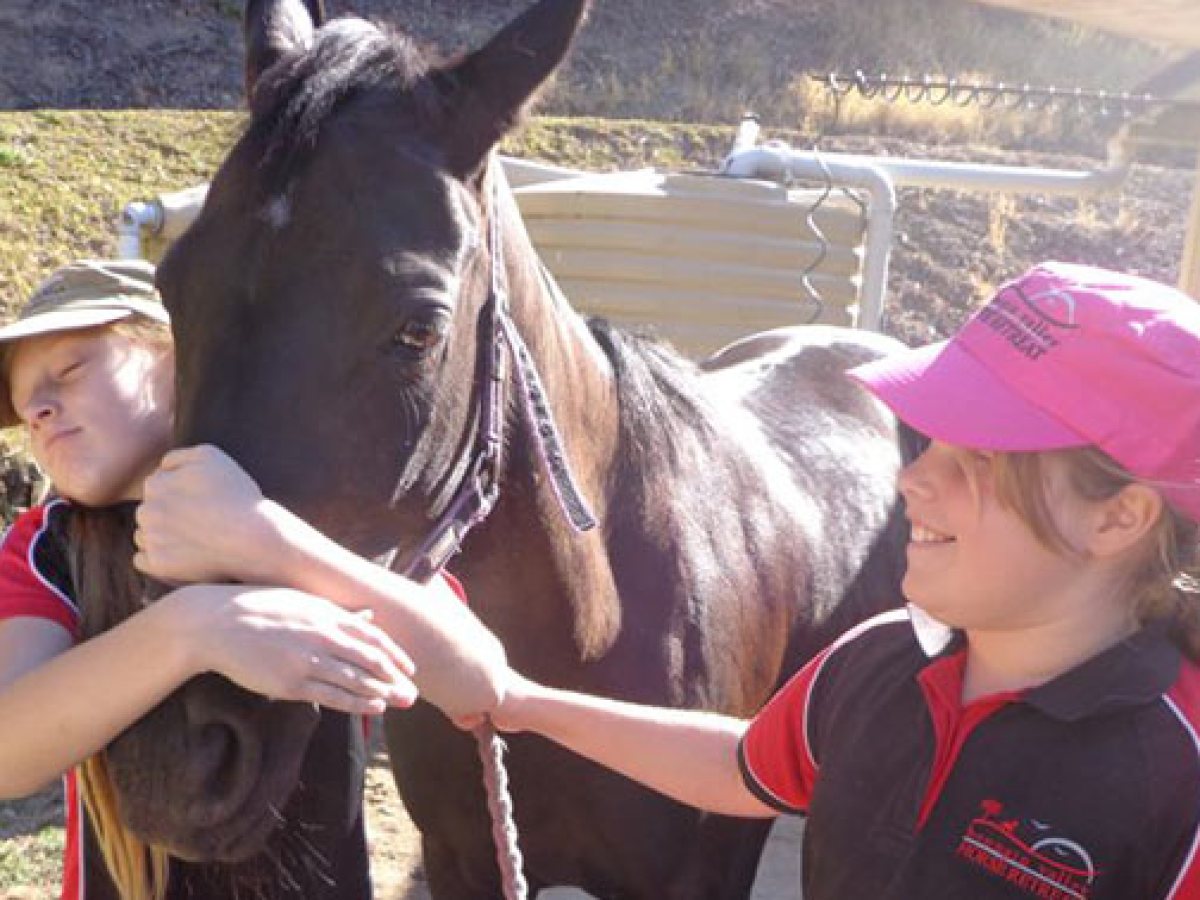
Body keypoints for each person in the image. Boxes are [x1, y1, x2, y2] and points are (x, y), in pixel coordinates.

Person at [139, 260, 1200, 899]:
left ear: (1120, 514)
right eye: (926, 439)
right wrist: (519, 701)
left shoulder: (1178, 771)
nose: (912, 478)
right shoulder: (880, 663)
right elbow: (746, 767)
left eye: (974, 462)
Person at [0, 259, 507, 900]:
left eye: (69, 371)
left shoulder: (315, 511)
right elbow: (7, 751)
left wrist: (260, 538)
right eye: (24, 406)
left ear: (179, 356)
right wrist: (194, 629)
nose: (39, 410)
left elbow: (479, 680)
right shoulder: (47, 546)